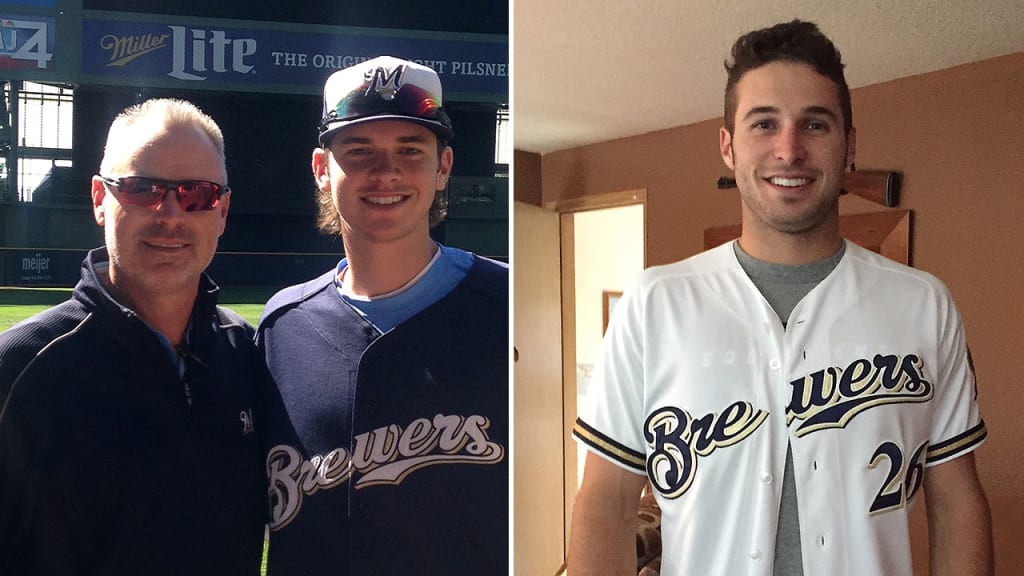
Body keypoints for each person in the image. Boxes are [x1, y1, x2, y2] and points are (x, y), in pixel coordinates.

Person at [569, 20, 992, 576]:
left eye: (814, 124)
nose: (789, 149)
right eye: (763, 123)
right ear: (728, 145)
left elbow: (956, 500)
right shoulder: (654, 304)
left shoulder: (923, 306)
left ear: (850, 145)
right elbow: (607, 501)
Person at [257, 56, 508, 574]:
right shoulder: (281, 330)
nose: (386, 171)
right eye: (360, 150)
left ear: (443, 169)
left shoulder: (510, 305)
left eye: (410, 150)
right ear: (322, 170)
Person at [0, 98, 266, 573]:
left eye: (197, 195)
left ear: (222, 212)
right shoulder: (20, 367)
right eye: (143, 190)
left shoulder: (251, 355)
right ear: (101, 200)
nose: (169, 213)